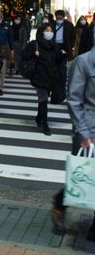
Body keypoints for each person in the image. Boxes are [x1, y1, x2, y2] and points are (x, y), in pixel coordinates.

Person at [51, 43, 95, 241]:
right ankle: (60, 204)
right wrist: (83, 132)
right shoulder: (83, 61)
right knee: (82, 174)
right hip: (87, 128)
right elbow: (74, 100)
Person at [21, 23, 66, 135]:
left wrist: (63, 55)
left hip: (51, 76)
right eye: (47, 30)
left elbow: (58, 61)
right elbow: (23, 54)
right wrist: (33, 53)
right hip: (38, 76)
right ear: (41, 32)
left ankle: (39, 117)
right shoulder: (34, 44)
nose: (49, 33)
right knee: (43, 99)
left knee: (44, 99)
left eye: (51, 31)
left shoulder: (54, 45)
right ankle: (45, 125)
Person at [0, 10, 13, 95]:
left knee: (2, 69)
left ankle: (0, 87)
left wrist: (11, 49)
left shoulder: (7, 26)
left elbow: (10, 38)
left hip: (3, 50)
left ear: (2, 17)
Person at [52, 9, 75, 87]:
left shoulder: (69, 25)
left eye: (60, 18)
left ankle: (62, 81)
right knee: (53, 64)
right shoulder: (52, 24)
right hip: (54, 46)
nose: (59, 20)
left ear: (63, 17)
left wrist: (70, 46)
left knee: (62, 65)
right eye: (57, 18)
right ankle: (54, 80)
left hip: (64, 47)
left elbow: (73, 37)